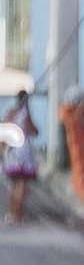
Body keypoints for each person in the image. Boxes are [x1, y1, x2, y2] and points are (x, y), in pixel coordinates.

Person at [3, 90, 36, 223]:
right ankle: (18, 214)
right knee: (22, 182)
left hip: (10, 149)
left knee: (14, 182)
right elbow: (34, 131)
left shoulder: (10, 112)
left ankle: (13, 212)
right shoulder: (25, 114)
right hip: (23, 149)